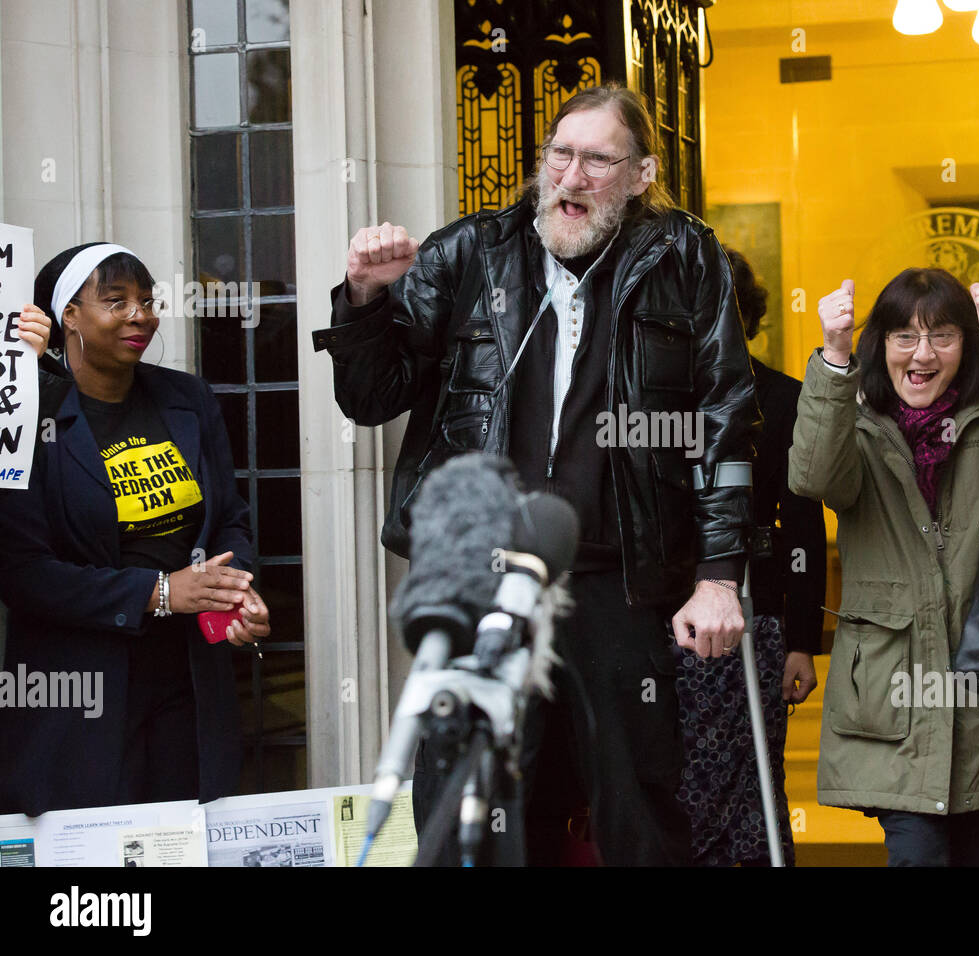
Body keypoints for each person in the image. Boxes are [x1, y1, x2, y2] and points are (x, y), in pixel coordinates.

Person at [311, 82, 760, 866]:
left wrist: (719, 575)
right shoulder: (469, 251)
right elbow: (370, 396)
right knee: (467, 806)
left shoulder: (688, 258)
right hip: (483, 578)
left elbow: (725, 415)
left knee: (637, 816)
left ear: (642, 174)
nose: (571, 177)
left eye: (597, 160)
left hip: (618, 581)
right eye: (560, 155)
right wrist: (364, 298)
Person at [788, 268, 979, 866]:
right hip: (894, 695)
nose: (922, 354)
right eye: (904, 336)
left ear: (966, 346)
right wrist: (834, 357)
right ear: (883, 347)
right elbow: (812, 477)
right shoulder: (858, 426)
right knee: (917, 857)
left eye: (943, 336)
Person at [0, 243, 270, 815]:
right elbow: (23, 574)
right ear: (68, 314)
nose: (140, 315)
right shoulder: (27, 418)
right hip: (79, 695)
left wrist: (234, 595)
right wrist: (161, 592)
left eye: (147, 301)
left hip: (189, 682)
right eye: (116, 300)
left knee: (184, 840)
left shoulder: (188, 398)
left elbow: (229, 521)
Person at [672, 247, 825, 866]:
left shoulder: (783, 398)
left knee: (757, 783)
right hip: (661, 620)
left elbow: (805, 528)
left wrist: (801, 640)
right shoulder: (650, 400)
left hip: (754, 621)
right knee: (681, 791)